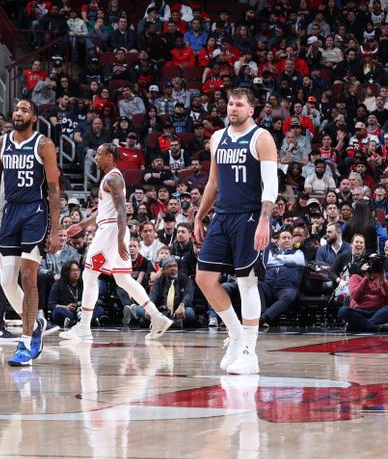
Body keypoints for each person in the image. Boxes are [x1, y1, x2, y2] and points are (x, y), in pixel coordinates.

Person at [194, 88, 279, 375]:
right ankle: (235, 334)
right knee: (204, 278)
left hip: (250, 216)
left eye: (239, 104)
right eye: (230, 103)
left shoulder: (262, 138)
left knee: (247, 283)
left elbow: (271, 184)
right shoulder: (217, 138)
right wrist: (199, 216)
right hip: (222, 215)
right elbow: (213, 183)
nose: (233, 108)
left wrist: (265, 221)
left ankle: (249, 351)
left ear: (251, 110)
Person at [0, 99, 61, 367]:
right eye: (16, 109)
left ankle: (25, 344)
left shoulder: (43, 144)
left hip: (35, 212)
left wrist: (56, 230)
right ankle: (35, 323)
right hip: (10, 213)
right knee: (7, 282)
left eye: (24, 110)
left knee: (27, 276)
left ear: (34, 117)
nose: (18, 113)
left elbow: (54, 188)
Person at [63, 143, 173, 340]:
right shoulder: (110, 178)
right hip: (112, 229)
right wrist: (81, 225)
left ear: (110, 157)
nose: (96, 157)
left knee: (89, 275)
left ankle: (84, 327)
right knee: (123, 279)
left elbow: (122, 210)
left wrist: (121, 238)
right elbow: (103, 212)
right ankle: (157, 317)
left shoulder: (113, 178)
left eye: (99, 154)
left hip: (111, 232)